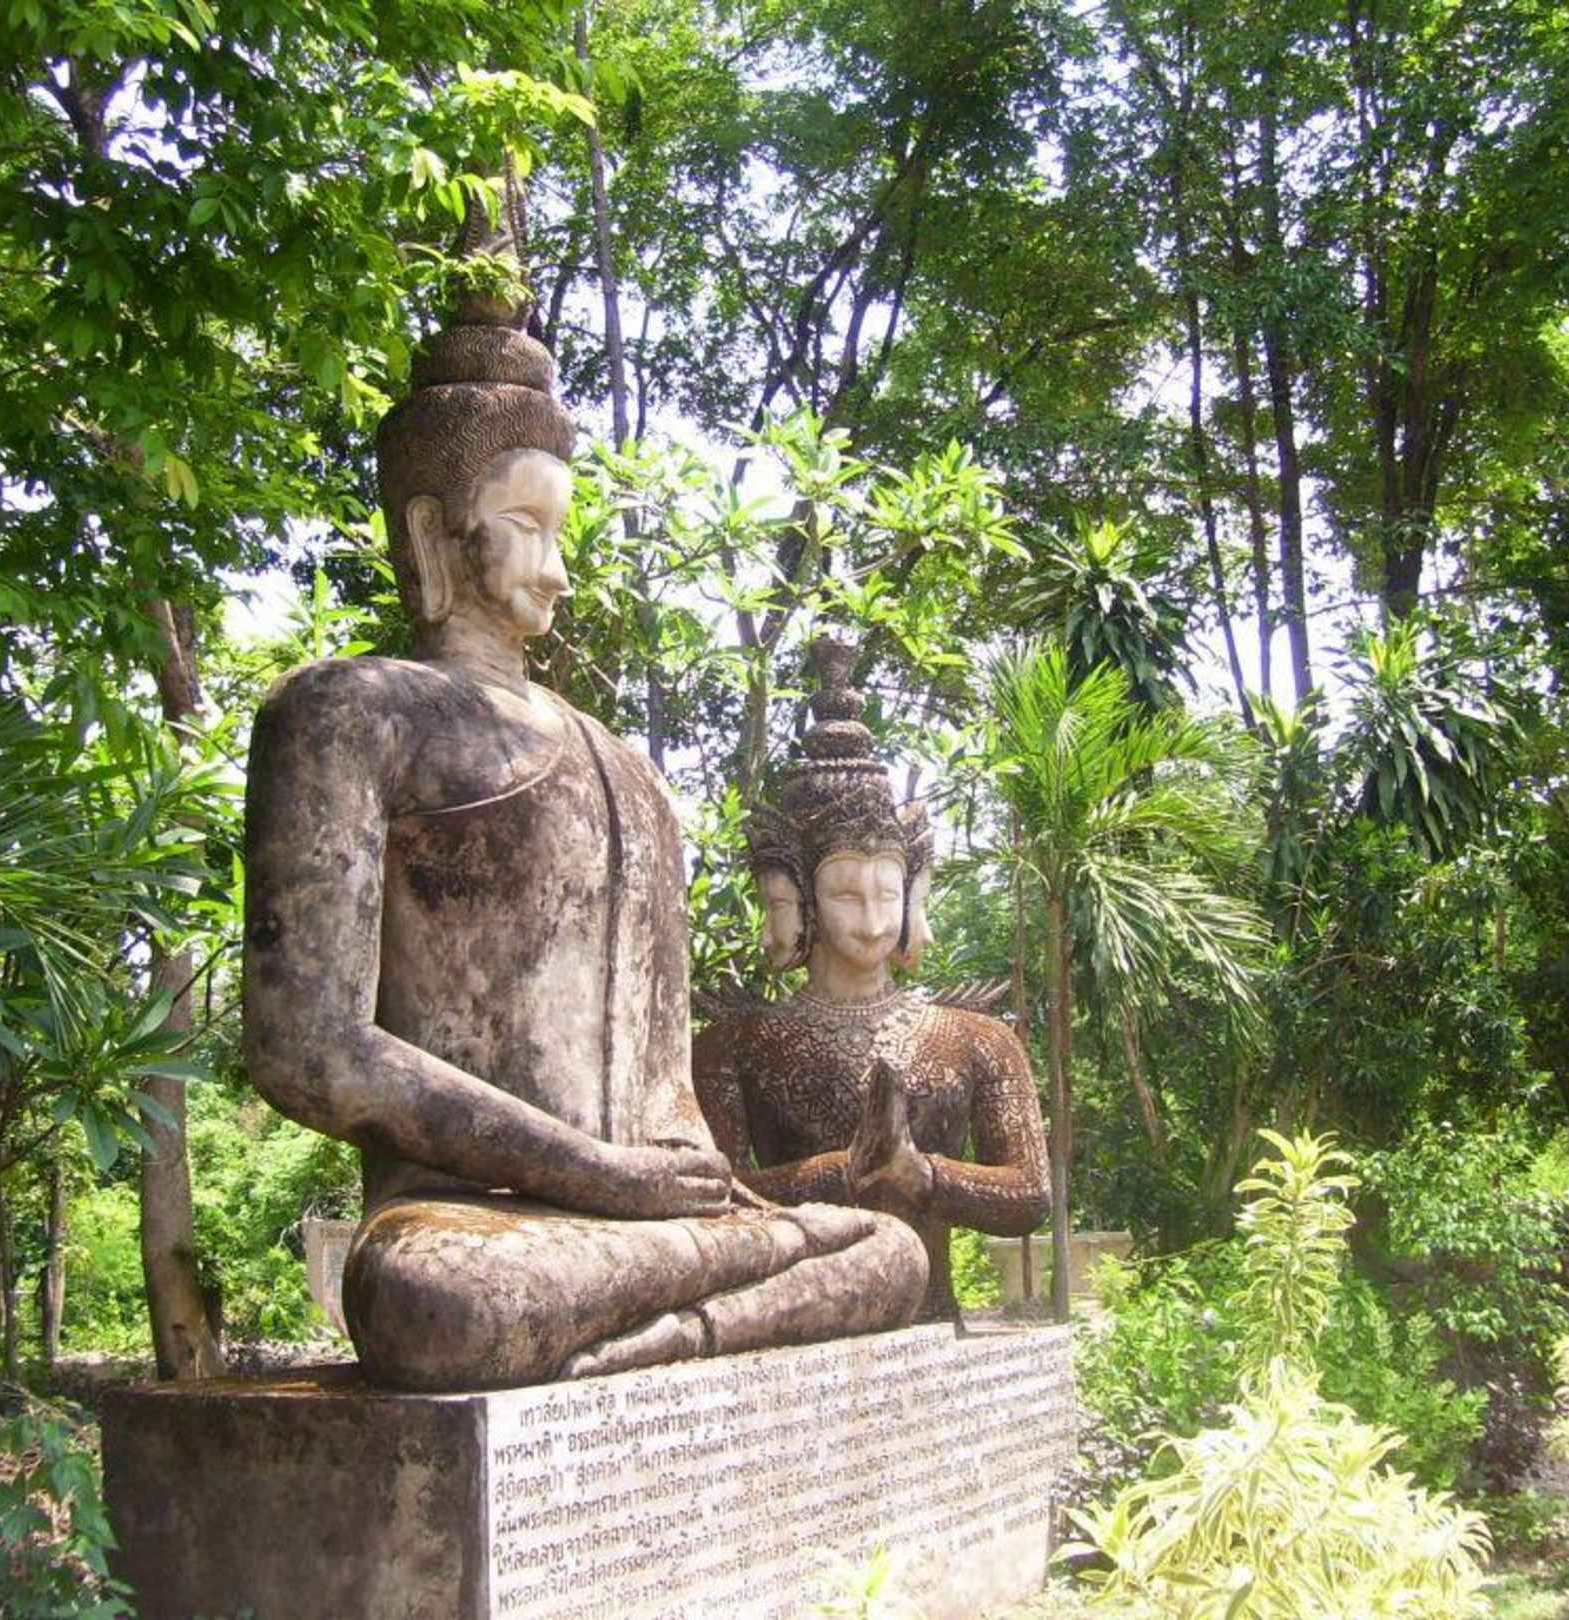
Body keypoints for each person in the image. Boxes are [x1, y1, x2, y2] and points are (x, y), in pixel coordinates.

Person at [241, 291, 925, 1392]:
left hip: (634, 1227)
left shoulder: (630, 775)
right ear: (431, 531)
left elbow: (664, 1083)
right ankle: (669, 1329)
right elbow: (306, 1048)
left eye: (562, 534)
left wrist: (669, 1172)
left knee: (886, 1253)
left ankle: (645, 1340)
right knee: (440, 1304)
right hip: (468, 1219)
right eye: (528, 529)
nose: (558, 570)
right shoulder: (349, 715)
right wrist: (592, 1173)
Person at [694, 640, 1050, 1321]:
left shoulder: (976, 1040)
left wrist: (922, 1173)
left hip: (931, 1326)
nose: (873, 920)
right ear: (797, 898)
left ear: (913, 892)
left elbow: (1030, 1193)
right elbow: (713, 1197)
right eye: (846, 896)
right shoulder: (734, 1045)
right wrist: (845, 1170)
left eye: (887, 895)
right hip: (790, 1327)